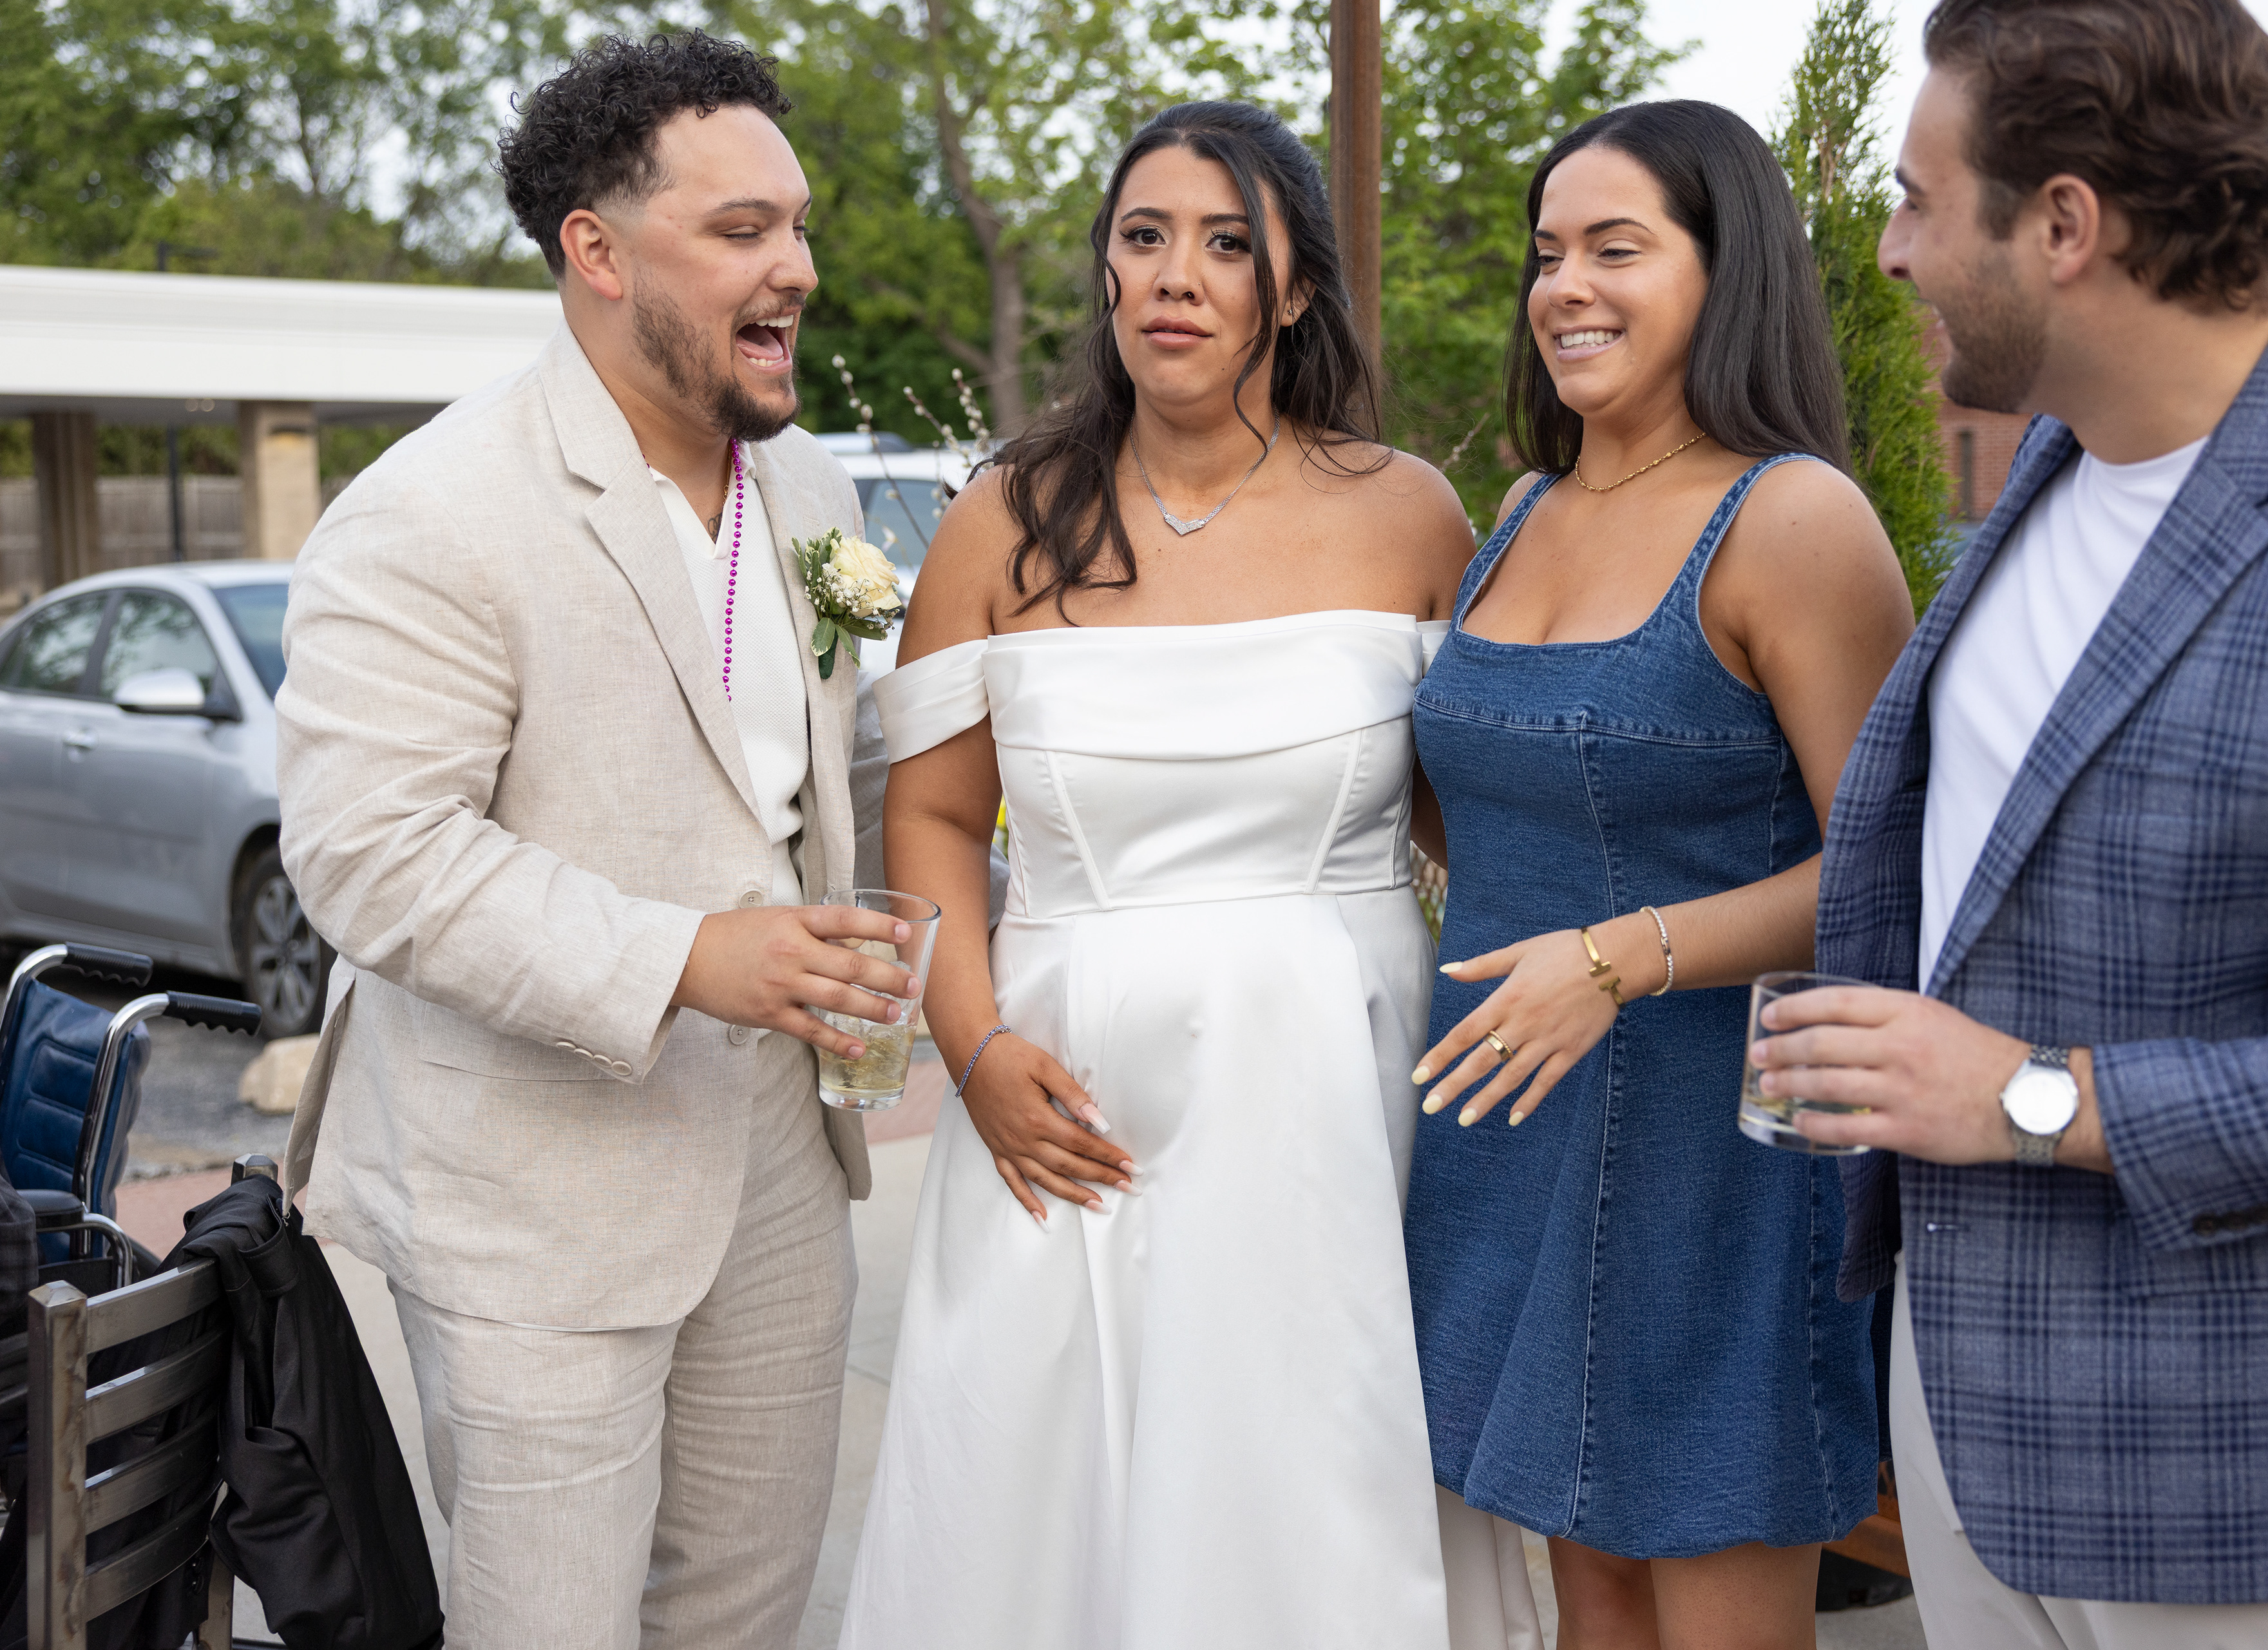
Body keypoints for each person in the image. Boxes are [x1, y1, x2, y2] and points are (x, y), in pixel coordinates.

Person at [1748, 1, 2268, 1645]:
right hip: (1970, 1430)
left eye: (1919, 199)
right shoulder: (2063, 458)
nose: (1889, 250)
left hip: (2241, 1498)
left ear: (2066, 224)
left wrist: (2022, 1094)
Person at [839, 101, 1540, 1650]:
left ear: (1295, 291)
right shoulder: (1001, 520)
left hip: (1339, 1095)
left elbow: (1479, 815)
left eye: (1228, 244)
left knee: (1313, 1476)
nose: (1176, 274)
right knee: (1041, 1507)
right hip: (1068, 1098)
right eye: (1144, 236)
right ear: (1105, 270)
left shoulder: (1409, 514)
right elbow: (936, 818)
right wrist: (974, 1050)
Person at [275, 34, 920, 1649]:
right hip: (533, 1196)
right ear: (598, 251)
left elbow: (835, 775)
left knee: (745, 1617)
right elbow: (370, 855)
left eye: (798, 224)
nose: (797, 267)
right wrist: (686, 957)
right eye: (742, 230)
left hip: (784, 1168)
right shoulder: (430, 512)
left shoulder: (815, 494)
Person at [1402, 100, 1915, 1647]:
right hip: (1513, 1125)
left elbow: (1891, 871)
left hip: (1720, 1154)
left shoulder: (1795, 518)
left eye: (1616, 248)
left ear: (1724, 266)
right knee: (1594, 1605)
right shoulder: (1521, 510)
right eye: (1547, 252)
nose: (1566, 286)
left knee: (1708, 1587)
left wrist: (1618, 955)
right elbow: (1493, 812)